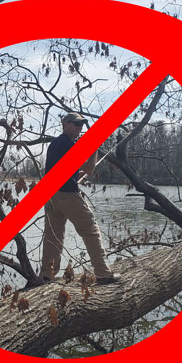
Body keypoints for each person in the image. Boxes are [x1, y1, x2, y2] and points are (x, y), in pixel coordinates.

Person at [40, 112, 118, 285]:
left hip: (51, 196)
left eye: (82, 124)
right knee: (90, 230)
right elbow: (89, 169)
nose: (80, 127)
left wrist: (76, 174)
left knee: (53, 236)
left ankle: (47, 276)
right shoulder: (68, 144)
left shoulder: (56, 144)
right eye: (76, 124)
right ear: (65, 124)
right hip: (67, 195)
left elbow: (68, 170)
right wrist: (95, 147)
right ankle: (104, 274)